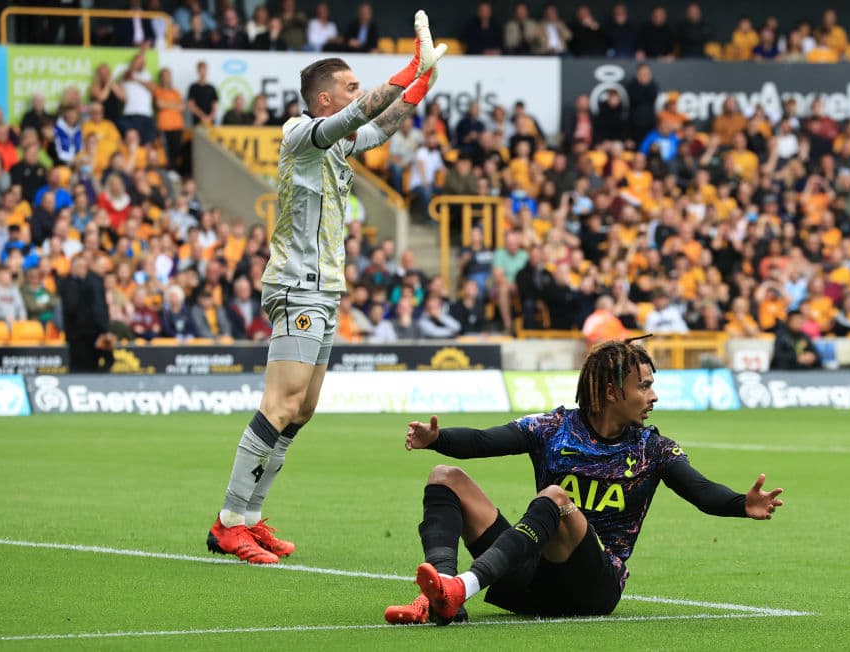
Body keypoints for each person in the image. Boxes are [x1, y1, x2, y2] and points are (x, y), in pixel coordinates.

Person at [205, 14, 447, 564]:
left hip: (324, 291)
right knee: (281, 402)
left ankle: (250, 516)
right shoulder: (300, 133)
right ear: (322, 100)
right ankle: (228, 523)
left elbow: (382, 126)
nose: (359, 93)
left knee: (304, 408)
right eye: (349, 86)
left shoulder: (335, 146)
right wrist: (410, 64)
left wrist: (423, 84)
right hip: (297, 288)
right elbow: (365, 112)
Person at [384, 338, 784, 625]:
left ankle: (461, 587)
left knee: (555, 499)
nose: (654, 396)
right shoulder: (554, 427)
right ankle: (439, 598)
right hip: (533, 579)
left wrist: (740, 504)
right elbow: (488, 440)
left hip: (593, 588)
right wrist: (439, 439)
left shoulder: (653, 448)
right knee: (445, 477)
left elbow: (701, 491)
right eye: (643, 386)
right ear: (612, 391)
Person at [59, 256, 113, 372]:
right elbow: (97, 308)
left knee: (84, 367)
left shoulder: (68, 282)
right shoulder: (87, 282)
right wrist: (104, 329)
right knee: (85, 368)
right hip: (84, 335)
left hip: (84, 334)